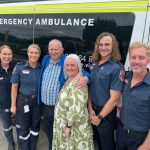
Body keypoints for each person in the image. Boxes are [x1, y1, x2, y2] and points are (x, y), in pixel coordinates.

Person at [37, 39, 90, 150]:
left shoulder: (67, 61)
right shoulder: (45, 59)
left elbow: (81, 72)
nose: (53, 52)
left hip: (60, 109)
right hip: (45, 107)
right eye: (51, 49)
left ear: (62, 50)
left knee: (64, 136)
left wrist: (86, 77)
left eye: (56, 49)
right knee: (50, 132)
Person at [88, 32, 124, 150]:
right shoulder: (94, 65)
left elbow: (114, 99)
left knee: (107, 145)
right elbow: (89, 88)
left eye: (107, 44)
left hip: (105, 115)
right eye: (101, 44)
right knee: (97, 142)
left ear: (113, 46)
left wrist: (100, 117)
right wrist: (90, 109)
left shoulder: (116, 68)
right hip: (93, 111)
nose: (103, 47)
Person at [52, 54, 94, 150]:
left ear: (78, 66)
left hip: (73, 128)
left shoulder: (79, 82)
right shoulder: (68, 80)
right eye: (67, 65)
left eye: (72, 65)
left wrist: (68, 126)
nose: (69, 68)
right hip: (64, 123)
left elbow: (76, 109)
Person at [116, 41, 150, 150]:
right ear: (129, 59)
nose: (136, 61)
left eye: (141, 58)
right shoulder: (124, 77)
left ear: (148, 60)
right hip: (121, 132)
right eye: (133, 57)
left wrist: (146, 145)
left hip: (140, 138)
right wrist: (85, 77)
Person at [10, 44, 42, 150]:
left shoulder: (42, 68)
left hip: (37, 102)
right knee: (23, 128)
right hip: (23, 101)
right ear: (28, 53)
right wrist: (13, 105)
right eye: (31, 52)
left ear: (39, 54)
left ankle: (32, 147)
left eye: (36, 53)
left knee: (35, 127)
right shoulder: (19, 67)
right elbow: (14, 87)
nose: (33, 55)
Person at [0, 45, 18, 150]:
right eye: (4, 54)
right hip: (3, 105)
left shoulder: (16, 67)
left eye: (9, 54)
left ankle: (21, 140)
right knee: (6, 126)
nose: (7, 57)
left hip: (16, 103)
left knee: (20, 124)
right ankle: (10, 142)